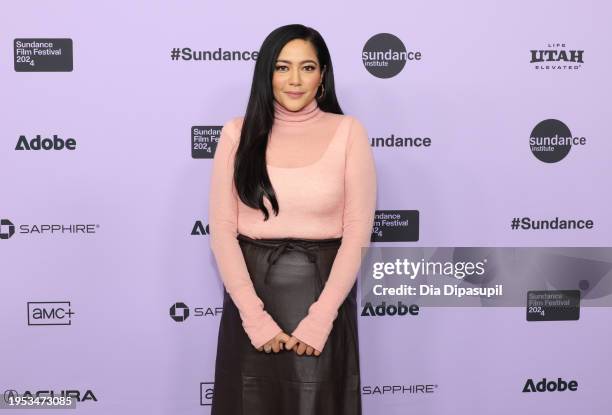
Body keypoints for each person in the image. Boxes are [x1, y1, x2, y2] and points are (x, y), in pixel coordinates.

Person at [208, 23, 377, 415]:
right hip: (251, 302)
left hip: (322, 301)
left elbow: (356, 235)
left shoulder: (348, 132)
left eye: (307, 67)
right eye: (283, 68)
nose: (295, 80)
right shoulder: (238, 133)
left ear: (323, 76)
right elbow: (222, 232)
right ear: (267, 75)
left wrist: (320, 319)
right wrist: (255, 319)